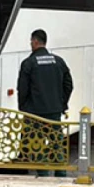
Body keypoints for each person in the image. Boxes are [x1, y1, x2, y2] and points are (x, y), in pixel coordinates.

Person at [17, 29, 74, 177]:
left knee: (37, 144)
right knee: (56, 143)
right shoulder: (58, 61)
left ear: (35, 42)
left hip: (35, 113)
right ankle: (60, 173)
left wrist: (23, 108)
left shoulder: (28, 63)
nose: (31, 44)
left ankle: (43, 174)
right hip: (54, 111)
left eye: (31, 41)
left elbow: (22, 90)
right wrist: (62, 104)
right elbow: (69, 85)